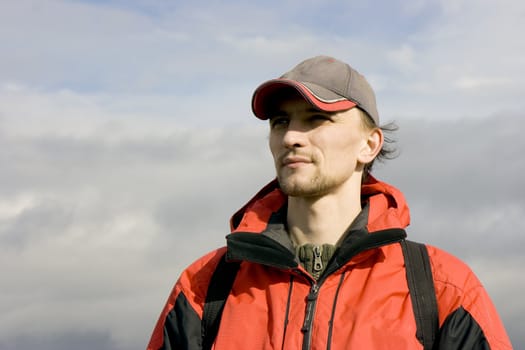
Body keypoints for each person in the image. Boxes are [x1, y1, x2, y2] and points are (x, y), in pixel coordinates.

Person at [147, 55, 512, 349]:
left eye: (316, 119)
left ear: (369, 144)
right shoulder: (205, 286)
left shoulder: (441, 289)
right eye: (280, 122)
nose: (291, 136)